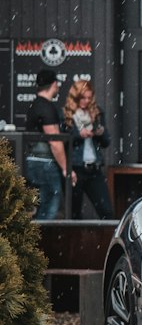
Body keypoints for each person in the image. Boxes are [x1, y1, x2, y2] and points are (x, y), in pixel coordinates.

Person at [25, 69, 74, 219]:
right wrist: (67, 169)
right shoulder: (46, 107)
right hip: (44, 163)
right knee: (49, 208)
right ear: (54, 84)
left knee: (42, 206)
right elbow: (55, 142)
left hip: (33, 161)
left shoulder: (35, 105)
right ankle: (42, 241)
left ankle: (37, 239)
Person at [62, 78, 113, 219]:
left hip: (94, 168)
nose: (86, 101)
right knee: (74, 213)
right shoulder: (67, 115)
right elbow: (62, 141)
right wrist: (79, 135)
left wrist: (100, 133)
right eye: (82, 98)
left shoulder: (96, 113)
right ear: (75, 97)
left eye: (89, 98)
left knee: (106, 211)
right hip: (75, 168)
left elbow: (106, 142)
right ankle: (75, 241)